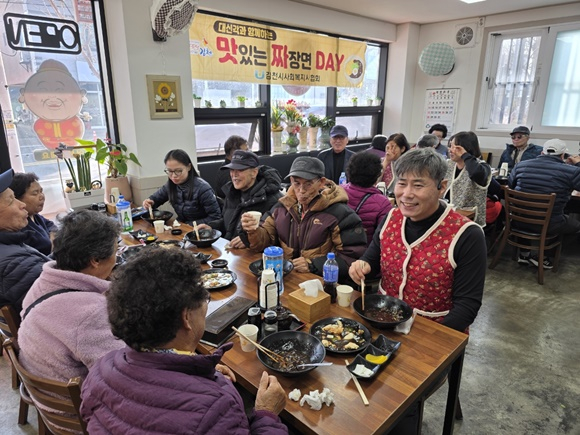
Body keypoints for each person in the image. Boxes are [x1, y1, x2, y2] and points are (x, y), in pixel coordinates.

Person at [80, 247, 288, 434]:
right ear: (186, 317)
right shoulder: (216, 408)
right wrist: (267, 414)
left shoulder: (100, 371)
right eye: (205, 299)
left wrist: (198, 374)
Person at [18, 210, 125, 386]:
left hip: (41, 380)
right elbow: (120, 374)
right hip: (74, 398)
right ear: (95, 260)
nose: (116, 258)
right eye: (116, 251)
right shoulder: (91, 313)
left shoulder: (43, 282)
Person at [240, 157, 367, 281]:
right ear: (291, 181)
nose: (301, 190)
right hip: (288, 278)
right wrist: (253, 231)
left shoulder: (340, 214)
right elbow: (265, 239)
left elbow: (352, 258)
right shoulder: (282, 207)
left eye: (308, 184)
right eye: (297, 183)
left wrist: (313, 265)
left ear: (321, 182)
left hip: (322, 282)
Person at [508, 139, 580, 268]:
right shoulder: (570, 171)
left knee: (527, 209)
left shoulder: (521, 165)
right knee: (574, 225)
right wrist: (577, 164)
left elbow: (510, 185)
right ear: (563, 155)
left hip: (518, 221)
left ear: (542, 152)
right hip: (549, 224)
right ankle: (545, 257)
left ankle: (524, 254)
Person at [204, 150, 282, 248]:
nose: (234, 174)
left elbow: (275, 237)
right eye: (232, 170)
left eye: (240, 170)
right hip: (230, 251)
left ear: (254, 173)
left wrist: (249, 239)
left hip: (254, 254)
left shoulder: (273, 198)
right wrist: (211, 228)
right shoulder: (231, 193)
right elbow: (228, 223)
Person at [0, 169, 50, 314]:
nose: (21, 205)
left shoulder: (11, 245)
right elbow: (55, 304)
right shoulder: (15, 263)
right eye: (11, 201)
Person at [143, 149, 221, 225]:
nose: (173, 176)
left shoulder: (202, 188)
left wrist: (188, 225)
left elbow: (215, 217)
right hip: (181, 226)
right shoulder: (170, 185)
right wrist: (150, 202)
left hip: (201, 230)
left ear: (189, 167)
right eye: (169, 171)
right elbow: (155, 198)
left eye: (178, 171)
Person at [343, 152, 393, 244]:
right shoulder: (382, 203)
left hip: (335, 248)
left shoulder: (338, 191)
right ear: (377, 175)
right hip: (365, 250)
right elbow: (384, 236)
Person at [444, 131, 492, 227]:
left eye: (456, 147)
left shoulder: (482, 166)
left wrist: (465, 155)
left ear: (467, 148)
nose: (450, 150)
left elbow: (476, 173)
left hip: (469, 217)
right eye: (450, 146)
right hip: (449, 211)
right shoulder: (449, 164)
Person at [9, 172, 55, 255]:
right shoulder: (20, 226)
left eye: (41, 191)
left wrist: (53, 236)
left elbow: (50, 225)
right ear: (18, 198)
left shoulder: (34, 215)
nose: (42, 196)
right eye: (35, 193)